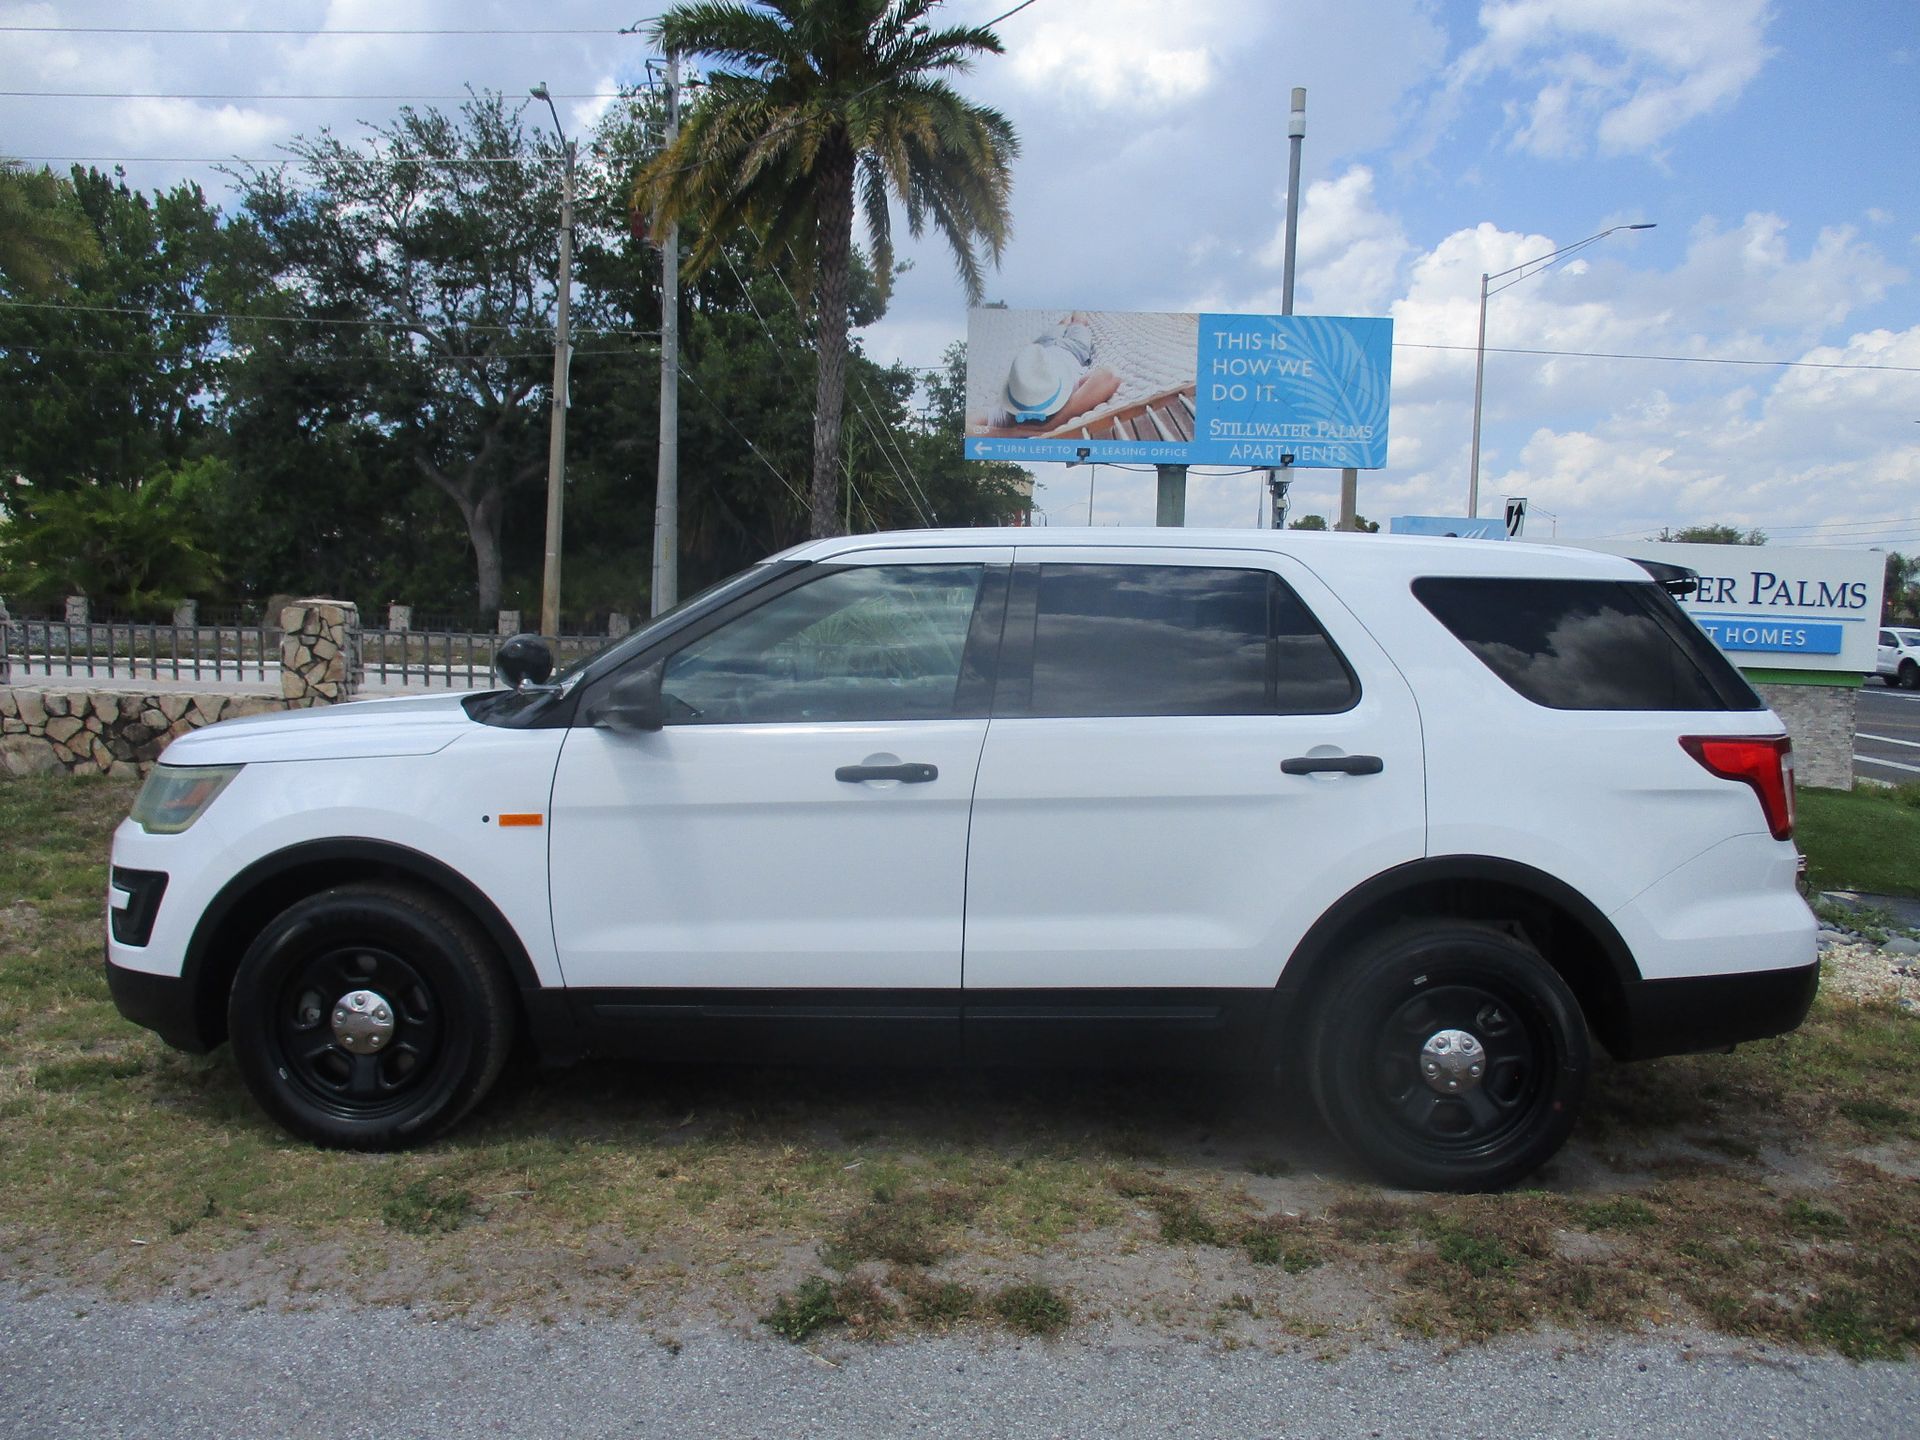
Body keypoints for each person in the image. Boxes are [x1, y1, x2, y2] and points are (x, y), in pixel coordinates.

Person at [968, 312, 1120, 436]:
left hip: (1041, 351)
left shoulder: (1010, 414)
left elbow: (1110, 375)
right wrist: (1011, 433)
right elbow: (1109, 375)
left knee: (1071, 321)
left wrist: (1051, 424)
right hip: (1072, 348)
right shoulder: (1012, 410)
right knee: (1076, 322)